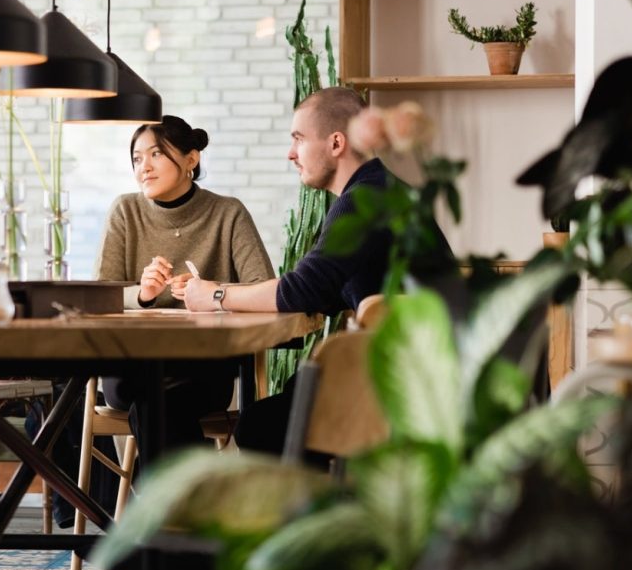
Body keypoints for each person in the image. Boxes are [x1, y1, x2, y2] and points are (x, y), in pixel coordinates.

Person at [180, 87, 456, 454]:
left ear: (336, 143)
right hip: (423, 380)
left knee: (260, 424)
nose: (290, 154)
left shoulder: (364, 200)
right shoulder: (378, 191)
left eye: (298, 139)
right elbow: (321, 290)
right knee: (282, 406)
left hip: (410, 391)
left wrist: (214, 295)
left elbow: (303, 290)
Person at [95, 115, 275, 456]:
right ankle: (185, 504)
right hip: (132, 364)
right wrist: (142, 295)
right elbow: (100, 294)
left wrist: (211, 291)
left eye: (156, 154)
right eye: (136, 158)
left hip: (201, 367)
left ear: (191, 159)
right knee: (158, 403)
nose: (143, 167)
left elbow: (262, 288)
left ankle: (161, 505)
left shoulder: (227, 213)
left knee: (159, 406)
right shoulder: (125, 211)